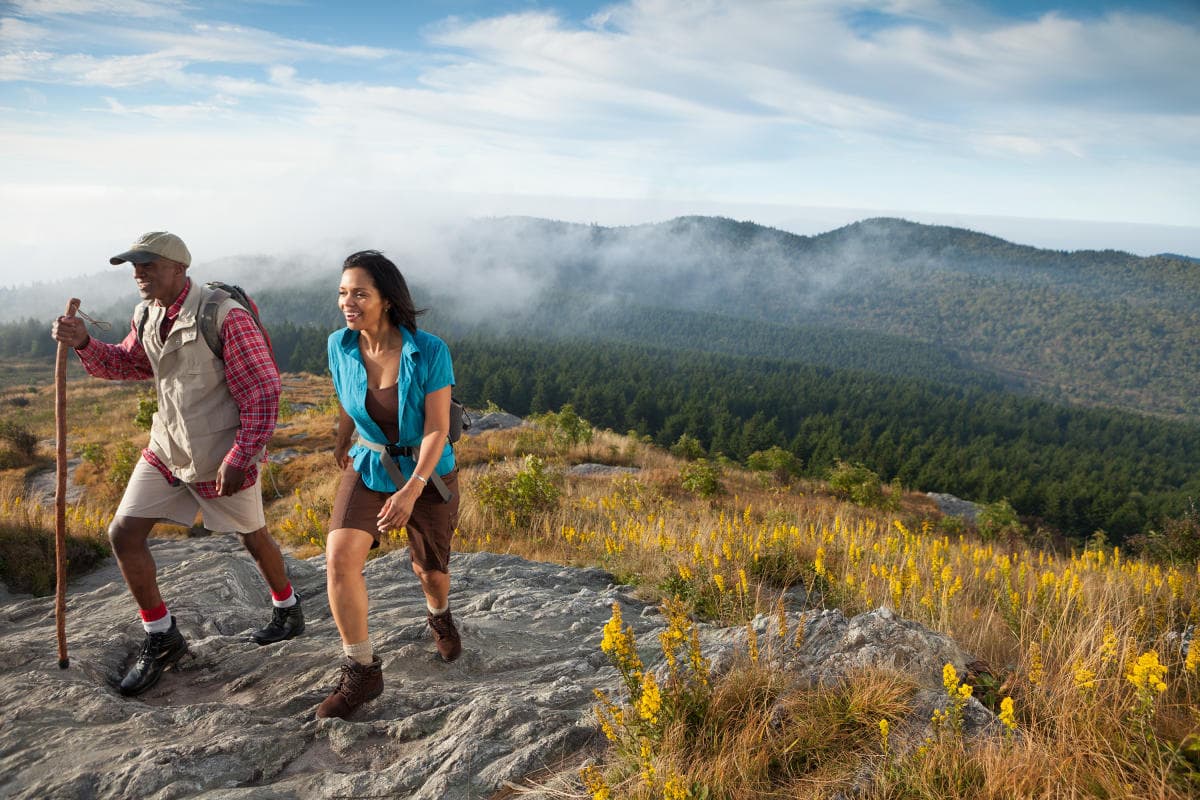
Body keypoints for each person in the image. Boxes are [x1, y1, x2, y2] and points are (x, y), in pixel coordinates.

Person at [51, 231, 304, 697]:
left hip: (220, 452)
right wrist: (86, 342)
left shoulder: (224, 316)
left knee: (253, 535)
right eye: (134, 265)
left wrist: (241, 456)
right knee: (123, 532)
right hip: (167, 446)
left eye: (148, 265)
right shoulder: (147, 313)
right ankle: (162, 636)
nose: (138, 274)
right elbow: (130, 364)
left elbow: (264, 391)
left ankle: (287, 607)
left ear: (179, 270)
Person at [317, 249, 461, 719]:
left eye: (360, 293)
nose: (347, 302)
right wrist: (343, 439)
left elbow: (437, 427)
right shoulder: (340, 345)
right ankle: (362, 670)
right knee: (339, 559)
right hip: (370, 461)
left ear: (387, 300)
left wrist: (413, 487)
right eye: (343, 293)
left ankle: (438, 615)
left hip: (427, 471)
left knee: (430, 573)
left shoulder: (429, 350)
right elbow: (346, 399)